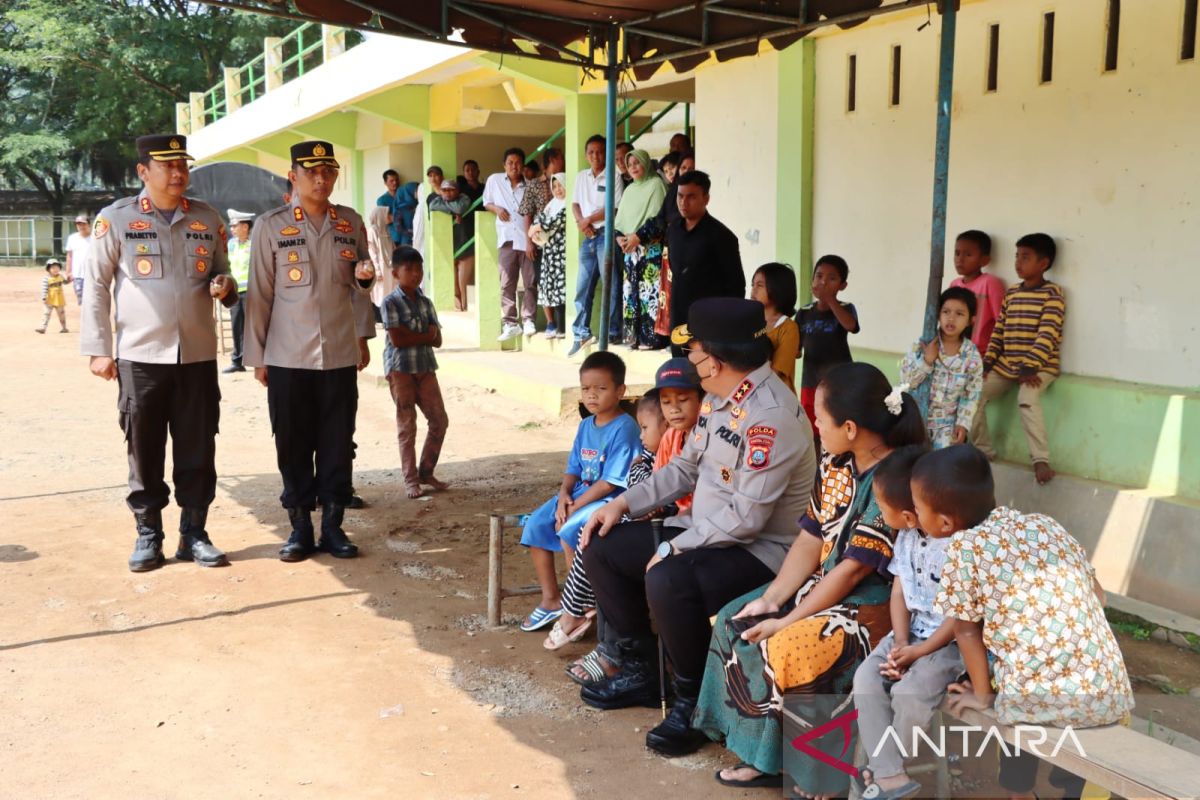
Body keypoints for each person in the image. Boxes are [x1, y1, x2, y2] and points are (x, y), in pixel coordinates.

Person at [578, 298, 816, 760]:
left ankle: (692, 701)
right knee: (603, 544)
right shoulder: (719, 400)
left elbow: (748, 520)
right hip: (706, 532)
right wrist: (623, 502)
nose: (690, 358)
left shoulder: (771, 416)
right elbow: (684, 468)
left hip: (760, 551)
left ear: (715, 359)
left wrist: (674, 548)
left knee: (667, 577)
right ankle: (642, 669)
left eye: (695, 350)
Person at [692, 362, 927, 793]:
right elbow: (810, 537)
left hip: (874, 603)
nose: (815, 424)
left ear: (851, 427)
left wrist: (788, 618)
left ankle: (810, 773)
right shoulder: (836, 463)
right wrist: (774, 597)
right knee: (733, 619)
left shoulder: (896, 477)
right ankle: (759, 753)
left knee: (791, 646)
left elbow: (854, 569)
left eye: (820, 418)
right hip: (823, 582)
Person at [919, 445, 1134, 798]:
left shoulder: (963, 549)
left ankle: (1019, 792)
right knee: (1024, 671)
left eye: (918, 507)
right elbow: (1099, 596)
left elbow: (965, 631)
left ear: (944, 522)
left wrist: (984, 695)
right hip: (1109, 688)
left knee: (1014, 687)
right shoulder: (1043, 523)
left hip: (1037, 701)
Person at [80, 134, 238, 571]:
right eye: (167, 165)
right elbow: (95, 286)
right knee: (144, 447)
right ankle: (149, 534)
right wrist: (98, 348)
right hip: (140, 355)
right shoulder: (116, 220)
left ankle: (195, 533)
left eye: (182, 165)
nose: (177, 173)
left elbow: (223, 273)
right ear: (143, 172)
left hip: (197, 356)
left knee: (198, 447)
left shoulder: (206, 218)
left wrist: (225, 287)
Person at [243, 140, 376, 562]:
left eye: (329, 172)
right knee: (293, 443)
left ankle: (333, 527)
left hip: (337, 354)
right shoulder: (270, 225)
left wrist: (361, 335)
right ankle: (300, 526)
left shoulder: (350, 223)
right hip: (286, 357)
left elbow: (362, 282)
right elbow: (260, 293)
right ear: (293, 175)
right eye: (312, 172)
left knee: (338, 443)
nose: (321, 180)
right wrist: (257, 355)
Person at [851, 445, 963, 800]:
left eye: (883, 509)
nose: (880, 516)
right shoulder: (908, 537)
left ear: (910, 514)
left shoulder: (959, 548)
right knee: (866, 678)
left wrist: (919, 652)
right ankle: (889, 776)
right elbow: (899, 592)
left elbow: (961, 619)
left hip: (949, 643)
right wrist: (900, 642)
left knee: (909, 693)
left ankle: (880, 772)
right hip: (912, 632)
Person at [518, 351, 641, 633]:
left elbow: (610, 483)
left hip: (610, 499)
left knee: (570, 529)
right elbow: (573, 467)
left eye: (601, 388)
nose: (592, 395)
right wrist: (563, 495)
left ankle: (583, 605)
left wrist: (574, 507)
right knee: (537, 523)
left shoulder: (625, 427)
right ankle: (551, 600)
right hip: (580, 492)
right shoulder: (586, 425)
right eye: (586, 389)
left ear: (620, 390)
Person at [550, 388, 671, 654]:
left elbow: (653, 492)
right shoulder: (650, 454)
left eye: (645, 428)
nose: (640, 435)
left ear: (666, 426)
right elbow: (638, 482)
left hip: (668, 527)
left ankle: (579, 616)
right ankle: (591, 624)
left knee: (598, 537)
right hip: (644, 520)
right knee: (591, 533)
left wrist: (641, 475)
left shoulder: (677, 450)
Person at [972, 233, 1065, 485]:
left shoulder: (1052, 294)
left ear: (1043, 263)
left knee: (1026, 398)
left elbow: (1048, 333)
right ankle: (982, 451)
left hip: (1039, 367)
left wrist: (1031, 364)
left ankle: (1040, 460)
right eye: (1017, 256)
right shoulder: (1012, 293)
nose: (1018, 262)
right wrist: (988, 362)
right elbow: (999, 331)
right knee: (973, 392)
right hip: (1008, 366)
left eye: (1026, 257)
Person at [382, 246, 449, 499]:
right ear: (395, 273)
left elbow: (438, 339)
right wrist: (425, 335)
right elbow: (398, 339)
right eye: (408, 269)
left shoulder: (426, 302)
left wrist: (418, 337)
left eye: (418, 268)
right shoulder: (389, 302)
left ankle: (426, 471)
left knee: (439, 420)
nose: (415, 274)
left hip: (425, 367)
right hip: (401, 370)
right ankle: (410, 480)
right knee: (407, 425)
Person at [662, 171, 743, 342]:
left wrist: (726, 325)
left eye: (691, 197)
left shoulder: (722, 236)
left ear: (706, 199)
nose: (684, 203)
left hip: (710, 321)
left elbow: (736, 287)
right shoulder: (673, 230)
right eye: (680, 196)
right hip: (679, 319)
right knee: (681, 366)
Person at [900, 286, 984, 449]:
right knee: (912, 464)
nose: (951, 318)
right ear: (938, 314)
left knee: (939, 468)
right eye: (946, 312)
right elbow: (906, 381)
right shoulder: (922, 345)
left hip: (947, 427)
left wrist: (963, 424)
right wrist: (927, 361)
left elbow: (971, 393)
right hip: (916, 420)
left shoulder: (972, 355)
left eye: (959, 314)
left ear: (971, 320)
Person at [568, 134, 625, 356]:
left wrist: (588, 220)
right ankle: (581, 332)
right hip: (588, 236)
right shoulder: (581, 176)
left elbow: (614, 206)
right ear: (585, 154)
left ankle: (612, 331)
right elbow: (574, 203)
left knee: (611, 284)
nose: (595, 155)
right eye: (591, 152)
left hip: (606, 234)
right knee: (583, 286)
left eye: (600, 151)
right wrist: (582, 224)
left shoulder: (614, 176)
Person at [797, 254, 859, 431]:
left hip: (839, 381)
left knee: (837, 424)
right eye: (819, 276)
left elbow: (851, 325)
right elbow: (796, 349)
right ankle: (817, 459)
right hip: (810, 381)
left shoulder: (846, 308)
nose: (823, 282)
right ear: (812, 280)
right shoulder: (804, 312)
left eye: (832, 278)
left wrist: (829, 299)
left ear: (842, 286)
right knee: (812, 427)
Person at [614, 148, 668, 350]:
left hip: (650, 250)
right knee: (631, 294)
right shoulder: (629, 190)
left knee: (649, 294)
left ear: (646, 163)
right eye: (630, 164)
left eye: (637, 163)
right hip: (630, 251)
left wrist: (638, 237)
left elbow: (658, 219)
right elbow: (620, 221)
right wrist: (620, 238)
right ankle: (633, 338)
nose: (634, 167)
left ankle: (651, 338)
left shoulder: (656, 185)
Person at [483, 147, 536, 341]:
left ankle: (529, 319)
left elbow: (533, 214)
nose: (514, 166)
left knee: (530, 281)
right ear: (504, 165)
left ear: (523, 165)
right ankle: (510, 323)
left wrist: (531, 242)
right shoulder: (494, 180)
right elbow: (486, 202)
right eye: (510, 163)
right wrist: (497, 209)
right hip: (506, 238)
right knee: (506, 283)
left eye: (518, 163)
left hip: (526, 240)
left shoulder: (530, 186)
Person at [949, 230, 1005, 354]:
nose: (960, 259)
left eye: (968, 255)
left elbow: (1001, 322)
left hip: (981, 354)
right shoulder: (954, 285)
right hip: (954, 352)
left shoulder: (990, 283)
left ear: (984, 260)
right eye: (957, 253)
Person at [750, 263, 800, 394]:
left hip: (777, 399)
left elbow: (776, 373)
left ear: (778, 289)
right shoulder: (749, 323)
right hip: (751, 395)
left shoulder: (788, 327)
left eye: (760, 285)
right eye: (752, 285)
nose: (753, 290)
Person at [528, 173, 568, 337]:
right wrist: (535, 229)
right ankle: (553, 325)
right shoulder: (551, 205)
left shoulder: (568, 204)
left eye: (560, 185)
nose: (558, 189)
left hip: (561, 253)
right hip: (549, 252)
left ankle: (562, 328)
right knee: (549, 288)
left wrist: (535, 229)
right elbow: (538, 223)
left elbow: (551, 223)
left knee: (561, 289)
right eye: (555, 186)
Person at [428, 180, 475, 311]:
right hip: (449, 245)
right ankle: (459, 309)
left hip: (465, 244)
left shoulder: (464, 198)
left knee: (463, 284)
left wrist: (453, 210)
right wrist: (453, 212)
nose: (447, 193)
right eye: (444, 190)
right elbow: (432, 206)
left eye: (451, 190)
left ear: (457, 191)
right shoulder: (437, 200)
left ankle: (464, 309)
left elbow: (460, 208)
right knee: (454, 286)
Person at [222, 209, 254, 373]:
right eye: (231, 226)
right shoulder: (231, 244)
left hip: (252, 292)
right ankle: (237, 361)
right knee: (236, 326)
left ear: (245, 227)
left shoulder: (255, 243)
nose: (232, 229)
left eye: (235, 226)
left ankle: (259, 360)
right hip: (235, 292)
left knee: (254, 326)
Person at [366, 205, 395, 317]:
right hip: (380, 268)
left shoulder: (386, 230)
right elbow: (372, 251)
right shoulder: (373, 231)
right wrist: (377, 269)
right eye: (387, 214)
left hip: (389, 267)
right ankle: (379, 317)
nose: (389, 216)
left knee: (388, 292)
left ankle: (387, 316)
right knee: (379, 292)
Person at [411, 165, 444, 260]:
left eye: (436, 175)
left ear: (442, 177)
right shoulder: (430, 198)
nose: (433, 178)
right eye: (430, 176)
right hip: (434, 235)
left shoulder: (448, 194)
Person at [377, 169, 412, 247]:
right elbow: (386, 220)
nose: (395, 183)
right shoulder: (382, 200)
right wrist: (405, 216)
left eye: (396, 180)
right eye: (391, 181)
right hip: (393, 238)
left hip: (409, 236)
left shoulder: (405, 196)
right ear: (385, 183)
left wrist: (395, 217)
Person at [36, 258, 70, 334]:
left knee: (61, 314)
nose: (55, 269)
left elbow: (65, 282)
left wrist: (69, 280)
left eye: (57, 267)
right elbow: (44, 288)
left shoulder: (60, 276)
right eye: (53, 268)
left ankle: (64, 328)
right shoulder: (46, 278)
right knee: (46, 314)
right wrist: (44, 297)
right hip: (49, 300)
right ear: (48, 269)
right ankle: (42, 328)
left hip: (59, 299)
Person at [65, 214, 92, 305]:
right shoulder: (72, 238)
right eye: (78, 224)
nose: (81, 226)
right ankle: (85, 318)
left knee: (92, 299)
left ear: (89, 224)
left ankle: (91, 318)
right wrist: (68, 272)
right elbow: (69, 256)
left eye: (83, 224)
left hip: (92, 275)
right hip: (77, 275)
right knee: (81, 298)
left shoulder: (95, 238)